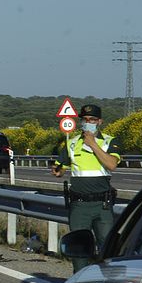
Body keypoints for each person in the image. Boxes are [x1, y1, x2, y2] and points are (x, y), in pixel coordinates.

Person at [51, 104, 122, 272]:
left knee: (107, 250)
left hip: (102, 206)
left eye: (92, 120)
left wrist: (93, 145)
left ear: (100, 122)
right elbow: (61, 168)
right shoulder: (72, 143)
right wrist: (58, 171)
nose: (88, 122)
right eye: (85, 119)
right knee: (79, 250)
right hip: (79, 206)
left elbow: (112, 164)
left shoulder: (109, 141)